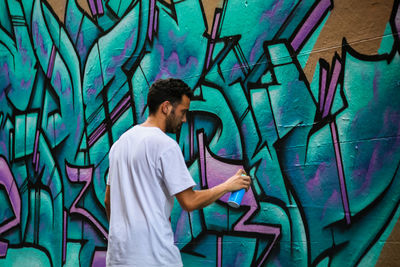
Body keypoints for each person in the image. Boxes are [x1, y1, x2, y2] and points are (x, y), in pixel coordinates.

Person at [104, 78, 251, 267]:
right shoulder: (165, 146)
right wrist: (227, 186)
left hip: (118, 258)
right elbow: (190, 202)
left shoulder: (120, 144)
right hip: (155, 259)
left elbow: (109, 200)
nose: (184, 119)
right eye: (182, 112)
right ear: (166, 107)